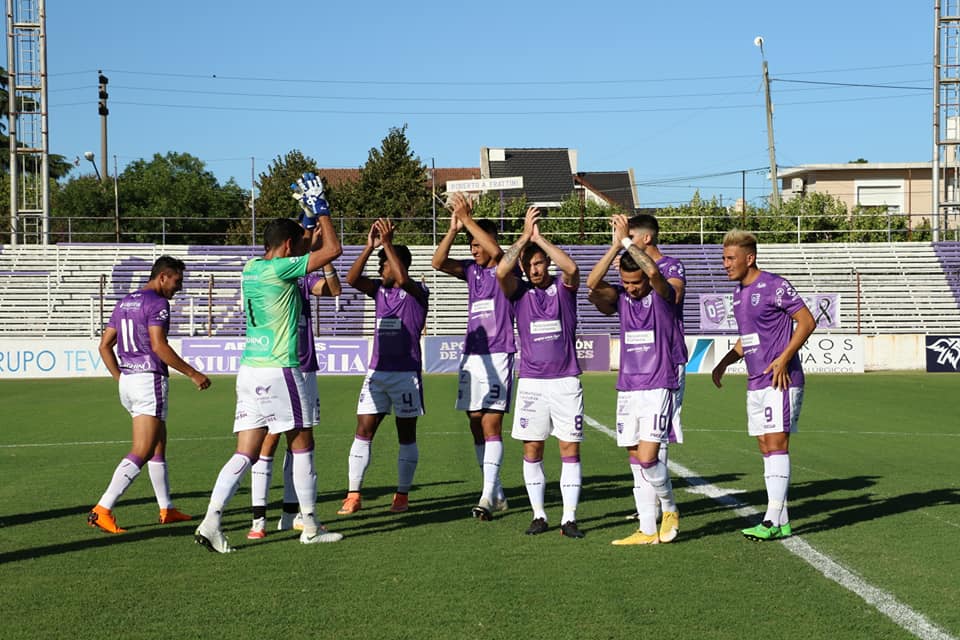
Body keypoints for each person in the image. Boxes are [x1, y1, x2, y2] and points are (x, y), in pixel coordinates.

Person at [194, 172, 343, 553]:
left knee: (245, 452)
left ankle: (211, 521)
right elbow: (332, 250)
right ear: (288, 247)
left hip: (249, 370)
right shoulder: (282, 269)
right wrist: (322, 208)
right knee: (303, 442)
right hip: (280, 368)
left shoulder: (251, 268)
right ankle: (309, 525)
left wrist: (305, 218)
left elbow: (300, 243)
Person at [88, 255, 212, 534]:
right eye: (177, 281)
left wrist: (121, 378)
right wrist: (193, 373)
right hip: (148, 381)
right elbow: (158, 345)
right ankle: (102, 509)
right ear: (163, 277)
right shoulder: (157, 303)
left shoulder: (124, 302)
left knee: (157, 445)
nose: (179, 287)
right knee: (143, 450)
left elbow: (104, 346)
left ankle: (167, 509)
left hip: (130, 381)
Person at [711, 230, 816, 541]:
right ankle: (782, 521)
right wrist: (724, 362)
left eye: (730, 258)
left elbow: (807, 321)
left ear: (750, 258)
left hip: (780, 378)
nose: (725, 264)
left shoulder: (774, 285)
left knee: (776, 444)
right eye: (724, 258)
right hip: (755, 380)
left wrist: (784, 358)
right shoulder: (738, 294)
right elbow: (748, 339)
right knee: (765, 447)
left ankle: (771, 520)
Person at [246, 213, 342, 540]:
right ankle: (260, 519)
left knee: (294, 443)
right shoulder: (280, 271)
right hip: (281, 366)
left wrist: (324, 259)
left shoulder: (300, 276)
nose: (308, 238)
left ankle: (292, 515)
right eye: (304, 235)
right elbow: (318, 246)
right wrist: (317, 221)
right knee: (272, 439)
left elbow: (332, 289)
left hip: (302, 365)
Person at [587, 216, 681, 545]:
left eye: (635, 283)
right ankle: (646, 528)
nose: (631, 288)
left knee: (649, 456)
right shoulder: (622, 299)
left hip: (658, 384)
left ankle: (669, 508)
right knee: (634, 457)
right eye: (626, 283)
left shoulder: (662, 296)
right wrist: (615, 245)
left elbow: (654, 273)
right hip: (628, 386)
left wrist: (627, 241)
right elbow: (592, 283)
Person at [496, 206, 585, 538]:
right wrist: (523, 238)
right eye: (529, 265)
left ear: (546, 262)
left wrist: (540, 239)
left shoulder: (563, 289)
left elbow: (572, 268)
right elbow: (500, 272)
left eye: (539, 263)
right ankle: (539, 515)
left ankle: (569, 519)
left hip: (566, 381)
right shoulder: (518, 293)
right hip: (532, 383)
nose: (534, 269)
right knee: (532, 449)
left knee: (569, 450)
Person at [337, 217, 429, 515]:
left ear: (399, 264)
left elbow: (402, 278)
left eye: (384, 263)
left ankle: (402, 495)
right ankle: (353, 494)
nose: (380, 269)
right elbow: (351, 279)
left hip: (406, 375)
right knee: (363, 430)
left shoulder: (417, 291)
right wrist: (369, 248)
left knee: (406, 434)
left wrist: (388, 244)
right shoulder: (378, 290)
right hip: (377, 373)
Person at [431, 192, 513, 520]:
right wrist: (454, 229)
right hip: (472, 356)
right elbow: (437, 262)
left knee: (491, 422)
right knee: (475, 420)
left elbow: (498, 253)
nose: (474, 250)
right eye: (471, 245)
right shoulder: (470, 271)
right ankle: (496, 490)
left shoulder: (506, 270)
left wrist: (468, 219)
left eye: (478, 244)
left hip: (499, 353)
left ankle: (486, 496)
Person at [624, 213, 686, 540]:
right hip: (638, 370)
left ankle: (665, 509)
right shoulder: (633, 270)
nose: (626, 241)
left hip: (668, 362)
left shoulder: (672, 266)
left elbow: (672, 295)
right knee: (637, 447)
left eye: (631, 236)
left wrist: (624, 242)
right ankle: (649, 518)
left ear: (645, 238)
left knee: (656, 443)